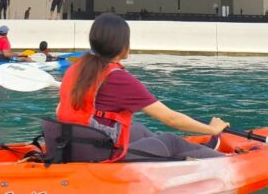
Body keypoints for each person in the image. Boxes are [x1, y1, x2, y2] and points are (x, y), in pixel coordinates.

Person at [44, 13, 228, 162]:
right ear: (122, 44)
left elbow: (60, 109)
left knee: (137, 129)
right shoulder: (118, 78)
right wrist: (212, 129)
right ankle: (226, 161)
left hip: (71, 144)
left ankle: (201, 151)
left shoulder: (77, 68)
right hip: (96, 154)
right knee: (171, 141)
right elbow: (171, 119)